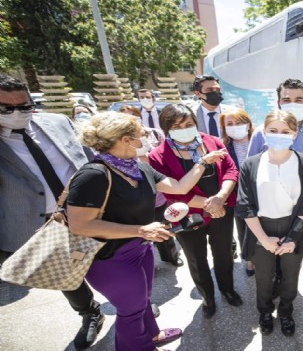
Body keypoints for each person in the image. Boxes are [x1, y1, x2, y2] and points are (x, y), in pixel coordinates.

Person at [67, 111, 226, 350]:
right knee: (130, 311)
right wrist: (140, 229)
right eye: (140, 134)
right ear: (125, 139)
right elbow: (80, 225)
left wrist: (203, 162)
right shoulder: (93, 175)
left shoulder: (139, 168)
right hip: (109, 257)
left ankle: (152, 335)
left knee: (142, 301)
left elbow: (180, 186)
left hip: (140, 248)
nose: (146, 138)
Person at [0, 74, 104, 350]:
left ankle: (132, 304)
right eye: (6, 109)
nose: (17, 114)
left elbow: (93, 159)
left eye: (24, 106)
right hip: (47, 224)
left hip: (92, 211)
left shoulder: (58, 122)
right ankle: (90, 313)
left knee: (113, 260)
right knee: (66, 276)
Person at [149, 104, 243, 319]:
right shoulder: (157, 155)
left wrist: (220, 198)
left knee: (223, 254)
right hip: (187, 215)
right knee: (196, 259)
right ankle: (207, 297)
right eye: (177, 125)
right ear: (166, 128)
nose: (184, 129)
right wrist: (210, 205)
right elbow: (174, 192)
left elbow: (231, 170)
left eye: (189, 124)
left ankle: (227, 289)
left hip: (221, 208)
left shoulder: (212, 141)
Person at [248, 78, 303, 298]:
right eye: (286, 99)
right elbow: (250, 169)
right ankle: (279, 277)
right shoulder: (261, 132)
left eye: (298, 99)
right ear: (278, 102)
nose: (292, 103)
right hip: (274, 206)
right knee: (278, 245)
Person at [236, 110, 303, 336]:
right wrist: (263, 239)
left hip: (294, 229)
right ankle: (264, 311)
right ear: (263, 132)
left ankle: (286, 312)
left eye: (285, 131)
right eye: (273, 131)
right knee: (263, 277)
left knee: (291, 277)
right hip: (261, 228)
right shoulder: (251, 164)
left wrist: (291, 239)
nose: (278, 135)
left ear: (294, 134)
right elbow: (245, 206)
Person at [119, 104, 182, 268]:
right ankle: (145, 263)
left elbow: (178, 186)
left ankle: (171, 256)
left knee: (164, 228)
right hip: (132, 206)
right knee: (143, 236)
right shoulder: (101, 169)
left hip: (158, 197)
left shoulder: (153, 137)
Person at [220, 107, 256, 276]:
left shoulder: (260, 140)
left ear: (248, 124)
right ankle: (249, 260)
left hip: (262, 194)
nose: (234, 126)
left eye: (239, 122)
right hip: (238, 196)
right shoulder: (223, 147)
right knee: (243, 230)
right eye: (230, 123)